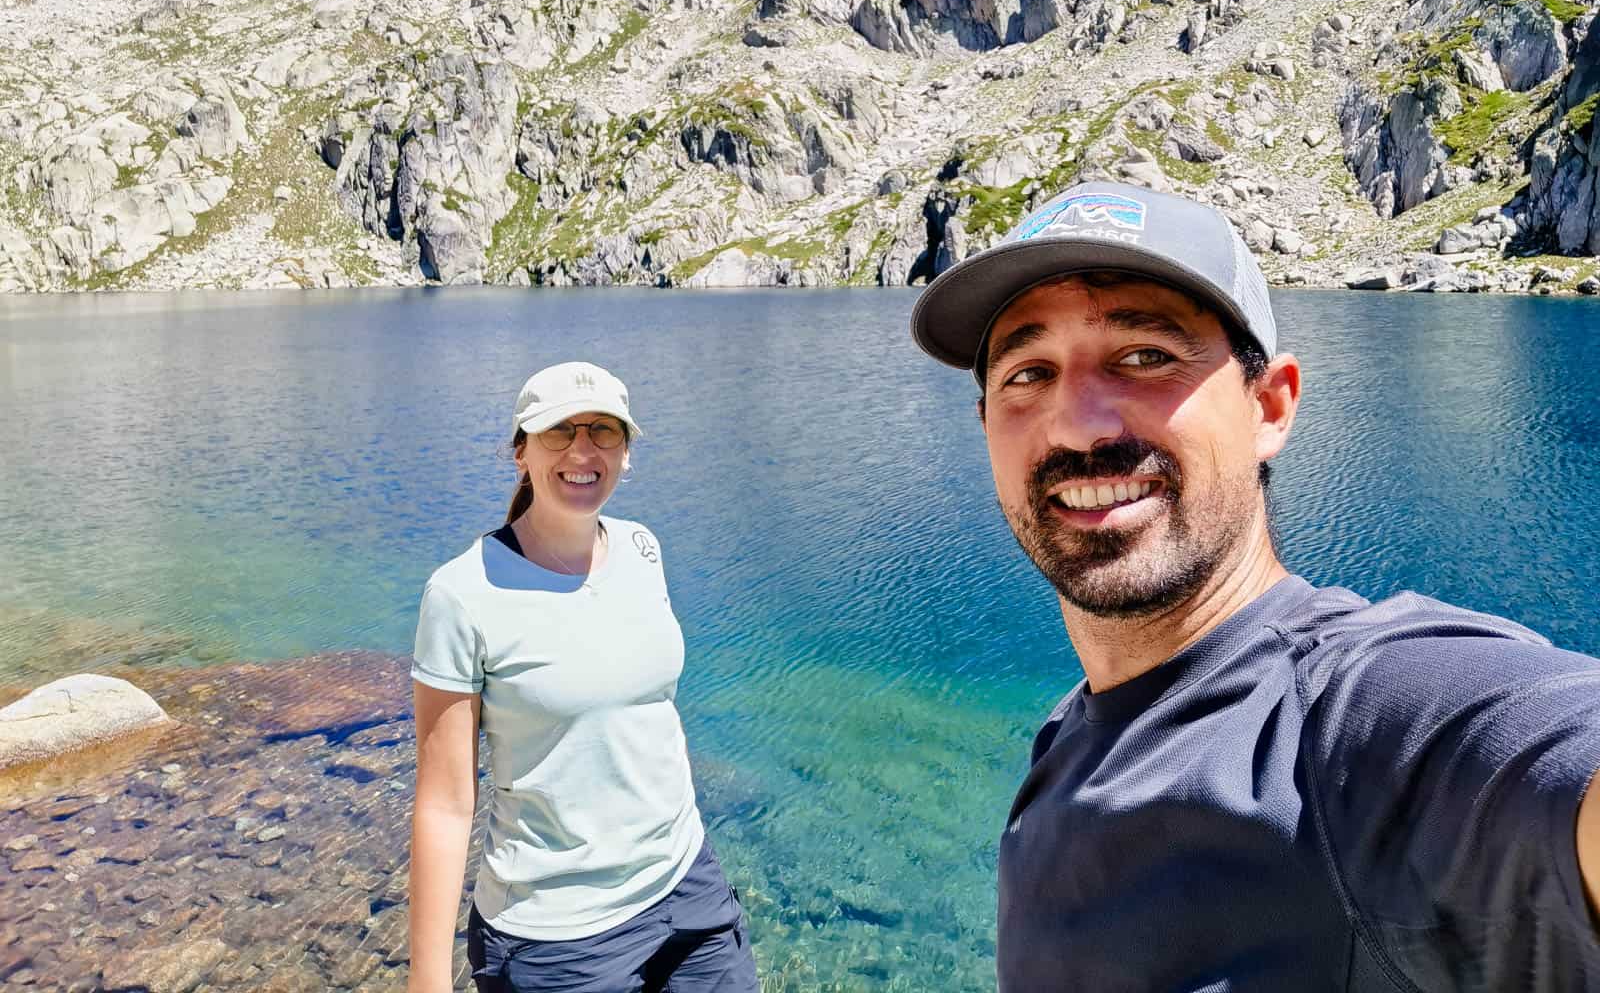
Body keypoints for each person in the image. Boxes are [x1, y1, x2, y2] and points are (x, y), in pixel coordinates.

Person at [909, 181, 1600, 990]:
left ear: (1270, 406)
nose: (1080, 424)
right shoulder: (1070, 733)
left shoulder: (1365, 717)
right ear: (987, 423)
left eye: (1145, 356)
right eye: (1028, 373)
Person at [408, 361, 757, 993]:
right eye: (558, 432)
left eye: (603, 431)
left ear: (626, 452)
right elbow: (444, 803)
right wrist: (427, 980)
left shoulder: (643, 548)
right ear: (520, 451)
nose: (582, 450)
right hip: (556, 936)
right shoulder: (461, 594)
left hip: (687, 886)